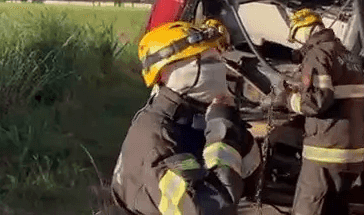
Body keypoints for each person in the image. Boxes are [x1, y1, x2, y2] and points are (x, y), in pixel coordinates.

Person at [111, 19, 260, 215]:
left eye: (217, 61)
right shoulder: (157, 140)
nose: (217, 70)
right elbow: (211, 209)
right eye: (206, 62)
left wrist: (231, 124)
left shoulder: (194, 120)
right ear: (164, 73)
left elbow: (251, 180)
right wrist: (223, 134)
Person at [282, 8, 364, 215]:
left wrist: (290, 99)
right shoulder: (348, 55)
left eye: (296, 36)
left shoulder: (318, 54)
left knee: (309, 208)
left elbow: (318, 101)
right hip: (352, 153)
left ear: (306, 28)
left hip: (325, 152)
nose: (297, 42)